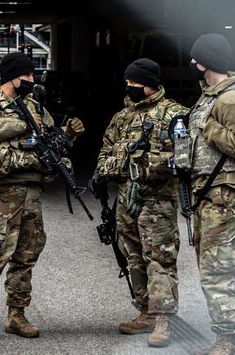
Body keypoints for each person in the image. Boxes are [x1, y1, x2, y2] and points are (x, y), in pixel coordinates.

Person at [0, 51, 85, 346]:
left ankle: (16, 314)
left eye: (32, 75)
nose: (32, 80)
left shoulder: (36, 107)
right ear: (11, 77)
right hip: (2, 194)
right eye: (26, 76)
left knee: (26, 257)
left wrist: (67, 136)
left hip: (32, 193)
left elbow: (48, 144)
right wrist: (23, 125)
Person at [94, 58, 189, 348]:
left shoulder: (175, 115)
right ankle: (145, 311)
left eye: (134, 83)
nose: (129, 87)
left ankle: (163, 320)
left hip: (157, 201)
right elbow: (104, 155)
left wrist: (144, 168)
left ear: (149, 84)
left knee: (159, 260)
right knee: (133, 255)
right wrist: (111, 170)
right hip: (126, 200)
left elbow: (183, 160)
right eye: (128, 82)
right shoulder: (122, 118)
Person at [185, 34, 235, 355]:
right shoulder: (211, 97)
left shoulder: (233, 100)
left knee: (218, 268)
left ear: (203, 62)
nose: (191, 65)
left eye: (195, 59)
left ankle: (229, 340)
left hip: (224, 194)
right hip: (209, 193)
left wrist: (208, 127)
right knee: (211, 267)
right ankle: (232, 338)